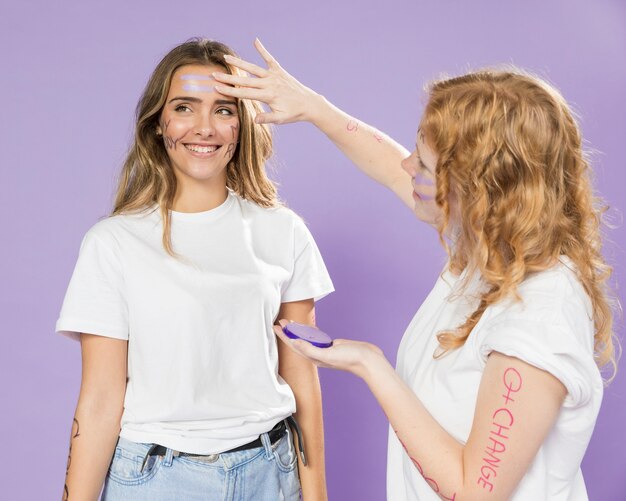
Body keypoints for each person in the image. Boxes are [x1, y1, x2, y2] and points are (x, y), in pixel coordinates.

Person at [213, 40, 618, 500]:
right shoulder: (492, 257)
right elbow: (390, 167)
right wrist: (313, 108)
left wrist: (371, 366)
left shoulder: (539, 316)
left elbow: (474, 493)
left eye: (423, 165)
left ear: (477, 191)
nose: (407, 164)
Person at [56, 38, 334, 501]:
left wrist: (317, 493)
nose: (205, 128)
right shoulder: (113, 244)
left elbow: (301, 375)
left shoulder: (283, 231)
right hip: (156, 479)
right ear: (158, 123)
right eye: (185, 107)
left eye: (224, 110)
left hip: (272, 471)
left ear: (242, 125)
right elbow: (101, 398)